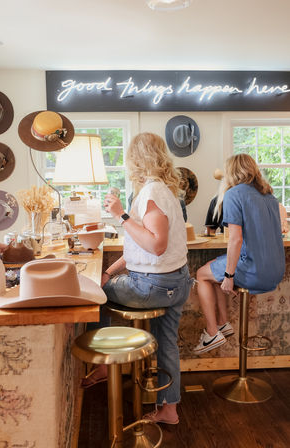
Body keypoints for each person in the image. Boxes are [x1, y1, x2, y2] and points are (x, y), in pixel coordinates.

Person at [98, 132, 192, 425]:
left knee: (94, 294)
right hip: (176, 283)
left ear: (136, 159)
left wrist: (121, 216)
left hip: (153, 287)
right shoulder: (164, 191)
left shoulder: (151, 194)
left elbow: (156, 245)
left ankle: (103, 364)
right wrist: (110, 271)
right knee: (167, 343)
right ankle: (169, 410)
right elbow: (144, 247)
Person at [193, 153, 285, 355]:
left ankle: (211, 332)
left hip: (254, 269)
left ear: (232, 172)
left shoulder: (234, 194)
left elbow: (236, 239)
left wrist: (229, 276)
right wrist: (227, 274)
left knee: (201, 274)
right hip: (276, 270)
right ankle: (223, 324)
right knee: (215, 272)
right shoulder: (269, 195)